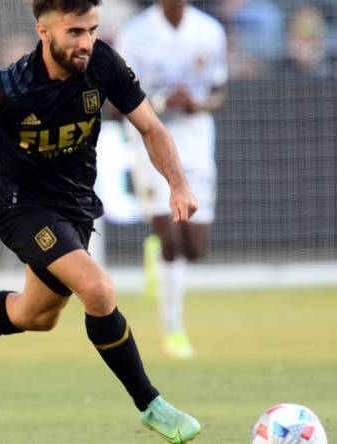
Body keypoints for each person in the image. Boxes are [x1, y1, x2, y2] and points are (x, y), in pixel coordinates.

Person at [0, 1, 201, 443]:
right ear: (44, 31)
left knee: (34, 315)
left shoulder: (104, 63)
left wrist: (178, 184)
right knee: (97, 290)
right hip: (24, 208)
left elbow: (150, 127)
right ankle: (151, 405)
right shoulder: (9, 87)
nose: (86, 43)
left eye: (92, 30)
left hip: (75, 207)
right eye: (75, 32)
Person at [115, 0, 227, 359]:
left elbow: (219, 93)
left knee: (194, 248)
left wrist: (197, 104)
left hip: (195, 137)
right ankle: (174, 331)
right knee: (172, 241)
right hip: (150, 135)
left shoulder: (210, 31)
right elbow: (115, 102)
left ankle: (158, 255)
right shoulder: (135, 34)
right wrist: (162, 103)